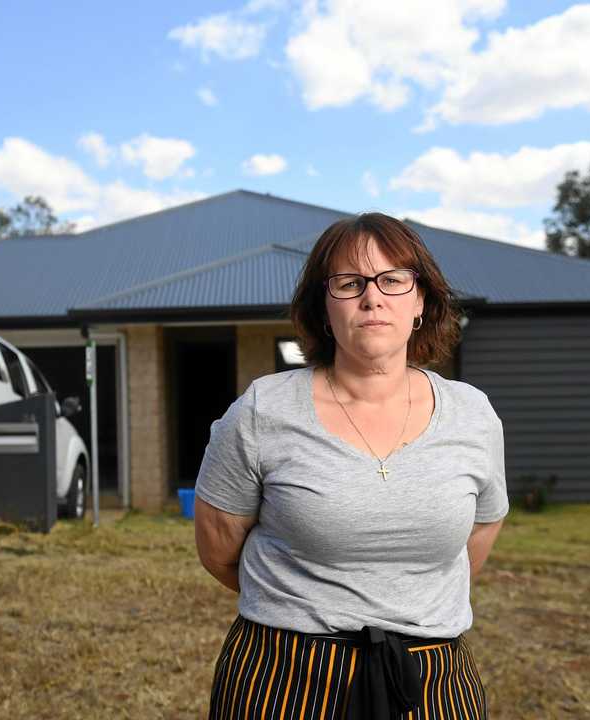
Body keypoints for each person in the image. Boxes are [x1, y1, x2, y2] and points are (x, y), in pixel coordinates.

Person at [194, 213, 508, 719]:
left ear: (421, 301)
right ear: (324, 306)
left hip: (431, 681)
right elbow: (218, 551)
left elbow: (477, 538)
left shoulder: (472, 416)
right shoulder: (261, 412)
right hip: (283, 678)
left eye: (393, 279)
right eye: (349, 282)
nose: (372, 297)